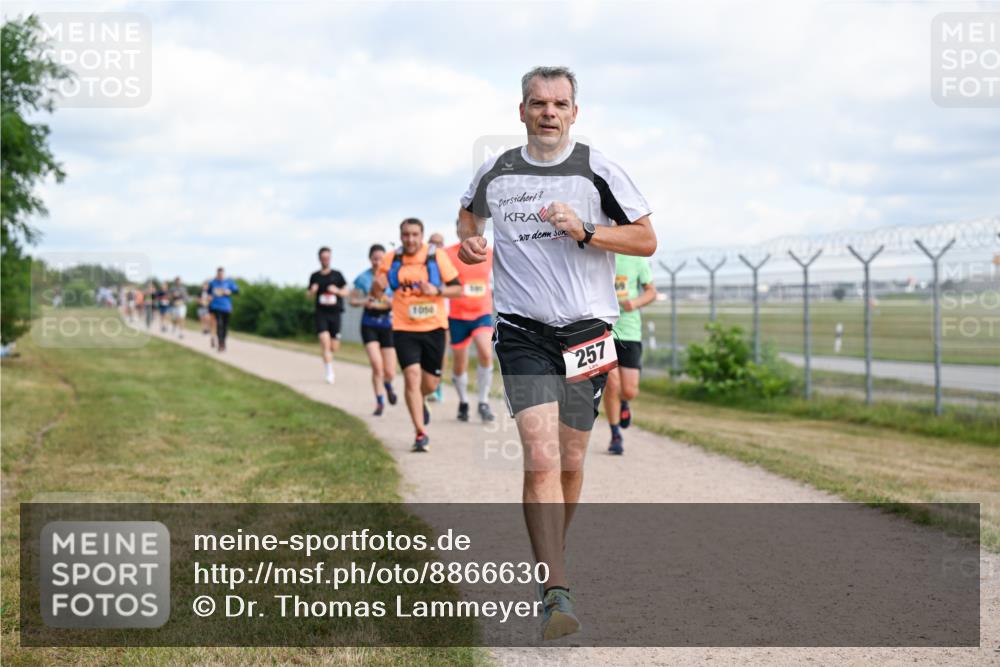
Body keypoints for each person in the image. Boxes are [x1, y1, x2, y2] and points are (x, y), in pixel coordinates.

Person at [457, 66, 656, 640]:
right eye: (538, 103)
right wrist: (471, 240)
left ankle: (553, 555)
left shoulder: (598, 171)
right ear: (521, 111)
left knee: (571, 462)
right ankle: (555, 589)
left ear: (574, 112)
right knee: (541, 459)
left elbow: (645, 239)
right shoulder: (498, 171)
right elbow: (469, 212)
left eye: (560, 103)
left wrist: (588, 233)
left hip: (589, 331)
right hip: (522, 332)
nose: (549, 112)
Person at [373, 218, 462, 452]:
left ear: (421, 236)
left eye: (414, 235)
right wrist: (376, 285)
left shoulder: (436, 256)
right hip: (404, 327)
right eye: (406, 235)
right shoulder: (392, 259)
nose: (410, 239)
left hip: (434, 328)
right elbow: (377, 290)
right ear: (400, 236)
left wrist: (437, 290)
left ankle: (420, 399)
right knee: (412, 376)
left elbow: (458, 288)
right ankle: (420, 433)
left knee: (431, 384)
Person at [603, 255, 658, 454]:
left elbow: (651, 292)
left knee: (629, 390)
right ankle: (615, 434)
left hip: (629, 331)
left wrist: (634, 303)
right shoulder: (600, 252)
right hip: (602, 330)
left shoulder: (636, 258)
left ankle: (624, 402)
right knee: (612, 384)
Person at [443, 222, 496, 423]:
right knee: (459, 364)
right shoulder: (447, 254)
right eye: (464, 229)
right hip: (457, 315)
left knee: (485, 351)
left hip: (481, 313)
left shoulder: (489, 253)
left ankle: (483, 402)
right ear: (458, 230)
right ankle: (464, 401)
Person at [350, 244, 399, 415]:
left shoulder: (392, 276)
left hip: (387, 325)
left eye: (381, 258)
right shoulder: (363, 278)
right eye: (375, 258)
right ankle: (379, 402)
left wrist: (390, 302)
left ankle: (388, 385)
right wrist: (365, 301)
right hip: (369, 324)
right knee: (377, 366)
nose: (378, 262)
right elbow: (352, 300)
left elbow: (399, 299)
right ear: (370, 259)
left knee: (390, 371)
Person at [308, 247, 349, 384]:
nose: (325, 260)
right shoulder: (315, 276)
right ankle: (329, 372)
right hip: (321, 313)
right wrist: (312, 291)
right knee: (324, 343)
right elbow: (308, 295)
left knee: (333, 347)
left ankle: (330, 357)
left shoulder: (337, 275)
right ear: (319, 259)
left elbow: (346, 292)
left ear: (330, 258)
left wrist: (336, 291)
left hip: (335, 313)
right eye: (323, 257)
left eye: (328, 257)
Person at [207, 267, 239, 352]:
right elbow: (208, 293)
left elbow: (237, 291)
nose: (220, 275)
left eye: (222, 274)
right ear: (217, 274)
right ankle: (220, 343)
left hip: (226, 307)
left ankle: (223, 341)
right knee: (219, 325)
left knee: (225, 326)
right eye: (219, 274)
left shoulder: (229, 282)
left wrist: (230, 292)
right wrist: (209, 297)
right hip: (216, 306)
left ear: (224, 274)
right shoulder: (212, 283)